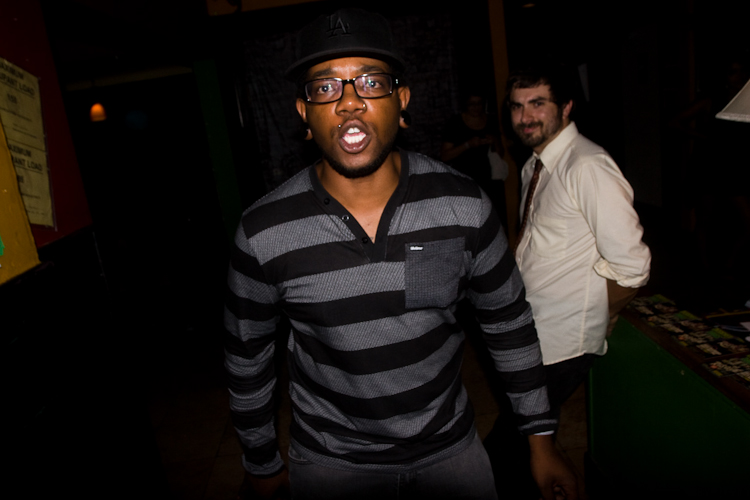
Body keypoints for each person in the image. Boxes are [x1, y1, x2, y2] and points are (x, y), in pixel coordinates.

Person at [224, 9, 578, 500]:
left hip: (451, 451)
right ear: (304, 112)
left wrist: (540, 440)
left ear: (402, 101)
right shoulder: (262, 231)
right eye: (325, 87)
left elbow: (508, 323)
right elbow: (248, 358)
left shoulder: (464, 206)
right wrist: (261, 464)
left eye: (371, 82)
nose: (349, 102)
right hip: (332, 463)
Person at [484, 65, 651, 498]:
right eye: (517, 106)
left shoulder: (588, 166)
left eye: (537, 104)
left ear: (566, 107)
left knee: (511, 448)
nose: (525, 117)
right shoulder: (535, 165)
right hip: (533, 326)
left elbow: (633, 266)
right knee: (533, 442)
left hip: (561, 342)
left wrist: (601, 314)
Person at [441, 94, 507, 229]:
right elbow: (444, 156)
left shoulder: (490, 121)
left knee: (492, 219)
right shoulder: (456, 123)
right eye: (472, 104)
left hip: (489, 180)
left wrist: (493, 141)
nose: (476, 107)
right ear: (466, 105)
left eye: (479, 103)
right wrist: (468, 145)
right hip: (465, 180)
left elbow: (500, 153)